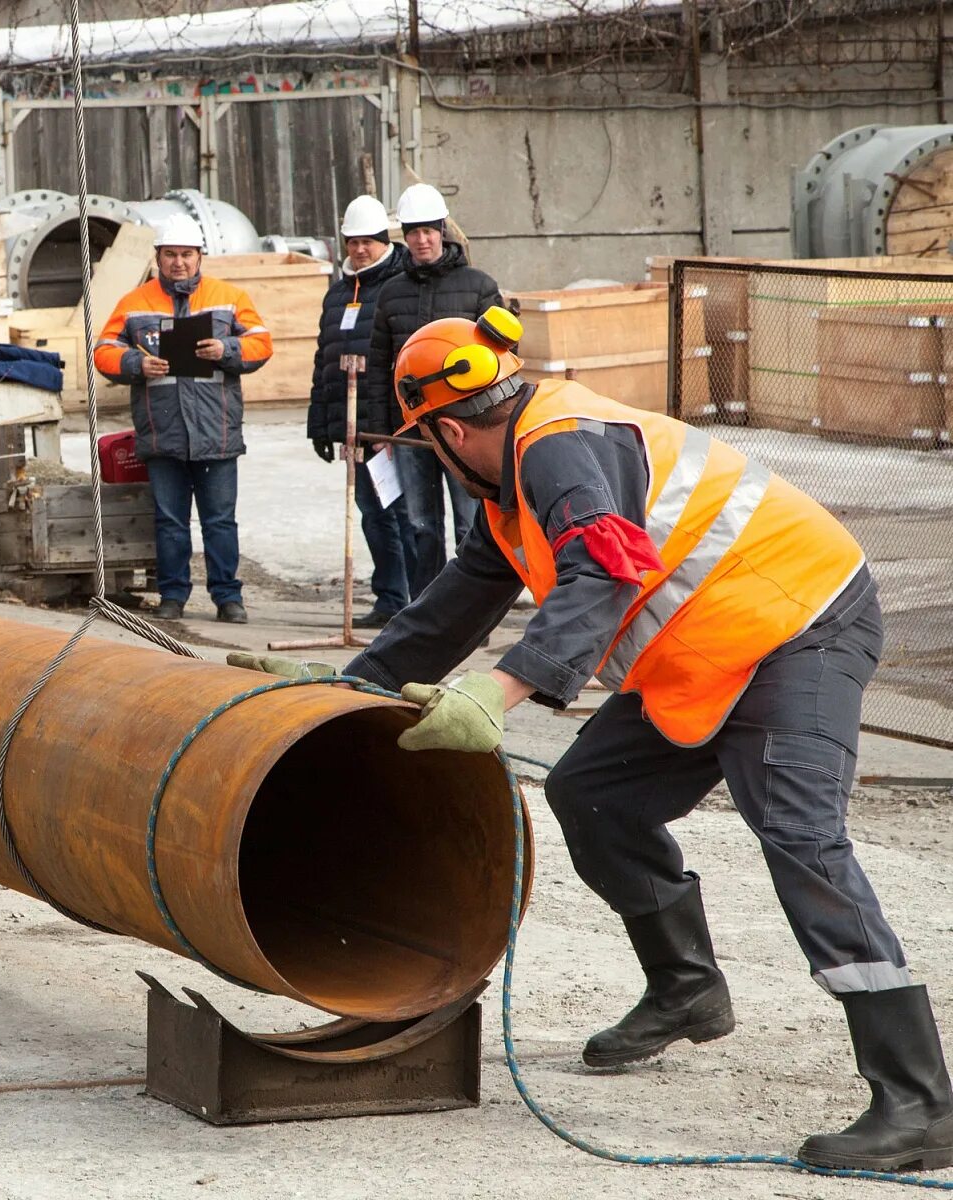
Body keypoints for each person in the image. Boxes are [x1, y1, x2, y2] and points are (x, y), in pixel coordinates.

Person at [344, 306, 952, 1172]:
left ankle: (920, 1102)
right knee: (593, 795)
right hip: (710, 646)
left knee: (800, 833)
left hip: (798, 623)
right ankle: (686, 987)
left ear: (446, 429)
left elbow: (599, 565)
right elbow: (457, 602)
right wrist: (342, 689)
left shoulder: (557, 448)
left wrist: (504, 689)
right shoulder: (510, 489)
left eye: (425, 443)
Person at [94, 214, 272, 624]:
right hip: (164, 434)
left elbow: (261, 343)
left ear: (200, 257)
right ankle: (172, 596)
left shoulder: (228, 298)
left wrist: (226, 350)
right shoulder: (135, 303)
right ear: (158, 257)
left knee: (220, 522)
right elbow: (103, 350)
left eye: (187, 255)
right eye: (171, 254)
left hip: (216, 435)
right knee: (170, 523)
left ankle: (228, 598)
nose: (179, 262)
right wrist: (136, 363)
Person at [362, 182, 503, 597]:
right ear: (403, 236)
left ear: (443, 230)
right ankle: (426, 610)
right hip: (411, 430)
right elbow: (377, 365)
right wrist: (381, 433)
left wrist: (492, 426)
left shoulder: (478, 286)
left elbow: (500, 359)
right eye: (412, 231)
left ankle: (471, 608)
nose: (421, 240)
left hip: (466, 429)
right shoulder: (392, 292)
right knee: (421, 524)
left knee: (468, 523)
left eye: (428, 230)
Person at [306, 194, 410, 627]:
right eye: (353, 241)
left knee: (405, 514)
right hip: (352, 427)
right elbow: (324, 361)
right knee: (373, 513)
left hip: (393, 424)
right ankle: (389, 597)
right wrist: (320, 425)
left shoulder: (402, 286)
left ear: (384, 241)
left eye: (369, 241)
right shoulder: (337, 296)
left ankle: (418, 599)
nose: (360, 249)